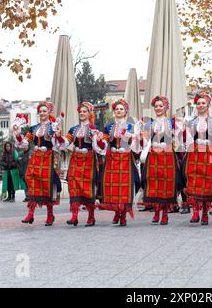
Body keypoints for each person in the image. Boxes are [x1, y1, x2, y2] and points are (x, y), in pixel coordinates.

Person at [13, 100, 62, 226]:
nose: (42, 113)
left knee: (47, 185)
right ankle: (30, 214)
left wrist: (57, 135)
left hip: (48, 158)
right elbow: (25, 144)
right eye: (40, 111)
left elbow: (58, 144)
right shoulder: (34, 128)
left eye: (44, 111)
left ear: (49, 112)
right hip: (36, 158)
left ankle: (50, 214)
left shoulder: (53, 126)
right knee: (33, 182)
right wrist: (18, 135)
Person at [55, 102, 103, 227]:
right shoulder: (73, 129)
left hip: (88, 159)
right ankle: (74, 216)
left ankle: (91, 216)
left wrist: (98, 139)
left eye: (84, 111)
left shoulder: (94, 129)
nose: (82, 113)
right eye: (80, 112)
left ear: (89, 113)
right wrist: (59, 136)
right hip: (76, 159)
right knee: (74, 184)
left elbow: (99, 147)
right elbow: (66, 142)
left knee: (87, 186)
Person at [139, 95, 183, 225]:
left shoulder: (172, 122)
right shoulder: (149, 123)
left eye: (160, 106)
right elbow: (146, 140)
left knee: (166, 183)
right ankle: (157, 211)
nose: (158, 108)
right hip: (153, 155)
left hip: (167, 155)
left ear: (166, 107)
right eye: (156, 106)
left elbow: (180, 138)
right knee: (153, 182)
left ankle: (164, 213)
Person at [96, 99, 140, 227]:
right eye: (116, 109)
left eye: (121, 109)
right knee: (113, 187)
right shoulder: (109, 126)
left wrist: (132, 137)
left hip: (125, 158)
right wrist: (99, 140)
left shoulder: (131, 126)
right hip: (112, 159)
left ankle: (123, 214)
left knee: (125, 187)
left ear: (126, 111)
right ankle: (117, 211)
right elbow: (104, 143)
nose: (118, 111)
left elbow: (135, 145)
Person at [182, 92, 212, 226]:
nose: (201, 105)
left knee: (207, 181)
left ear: (208, 104)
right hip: (195, 151)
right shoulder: (192, 122)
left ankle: (205, 213)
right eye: (198, 103)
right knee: (193, 179)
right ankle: (195, 211)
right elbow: (186, 139)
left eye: (203, 103)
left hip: (208, 152)